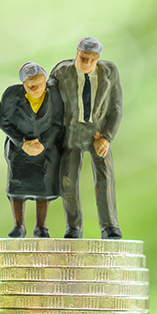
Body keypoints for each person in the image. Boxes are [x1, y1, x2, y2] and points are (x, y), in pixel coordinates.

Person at [50, 36, 123, 239]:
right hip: (71, 131)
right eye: (83, 57)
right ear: (77, 53)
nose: (86, 63)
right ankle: (73, 227)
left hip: (98, 132)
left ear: (98, 58)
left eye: (92, 59)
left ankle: (109, 226)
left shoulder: (110, 72)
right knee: (68, 179)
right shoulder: (61, 71)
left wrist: (107, 137)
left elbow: (116, 108)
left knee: (105, 177)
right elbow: (51, 104)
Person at [0, 61, 65, 238]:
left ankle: (41, 226)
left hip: (45, 149)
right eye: (30, 85)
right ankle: (18, 225)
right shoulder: (12, 95)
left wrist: (44, 143)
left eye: (40, 83)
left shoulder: (54, 94)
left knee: (43, 186)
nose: (36, 88)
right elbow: (3, 121)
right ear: (23, 85)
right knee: (17, 187)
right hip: (19, 149)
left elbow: (58, 122)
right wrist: (22, 142)